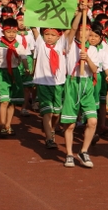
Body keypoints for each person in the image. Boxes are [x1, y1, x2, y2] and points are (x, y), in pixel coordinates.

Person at [32, 10, 81, 149]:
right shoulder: (40, 43)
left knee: (56, 113)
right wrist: (27, 12)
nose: (49, 37)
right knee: (48, 111)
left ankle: (52, 128)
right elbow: (33, 28)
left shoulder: (62, 44)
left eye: (53, 35)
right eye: (47, 34)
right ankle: (49, 138)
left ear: (59, 36)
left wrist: (78, 14)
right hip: (43, 83)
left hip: (58, 83)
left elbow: (73, 29)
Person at [60, 17, 100, 168]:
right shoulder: (70, 44)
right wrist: (79, 13)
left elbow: (94, 69)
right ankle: (69, 154)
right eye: (81, 30)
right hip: (72, 83)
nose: (84, 33)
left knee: (92, 121)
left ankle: (84, 151)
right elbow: (72, 29)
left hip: (87, 84)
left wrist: (87, 58)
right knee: (70, 124)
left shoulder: (93, 49)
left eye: (87, 30)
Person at [0, 18, 30, 138]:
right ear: (3, 32)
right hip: (2, 73)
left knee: (12, 102)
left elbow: (24, 58)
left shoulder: (18, 45)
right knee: (4, 101)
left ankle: (8, 125)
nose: (11, 34)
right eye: (8, 32)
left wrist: (27, 68)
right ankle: (2, 125)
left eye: (14, 32)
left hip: (14, 73)